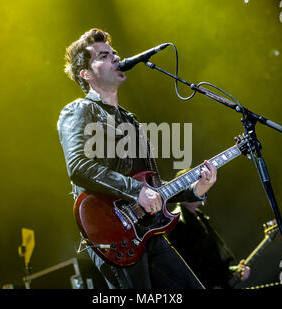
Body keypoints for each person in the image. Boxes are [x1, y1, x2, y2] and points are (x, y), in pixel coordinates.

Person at [57, 28, 216, 289]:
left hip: (147, 231)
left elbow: (152, 187)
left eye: (114, 53)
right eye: (104, 55)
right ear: (86, 74)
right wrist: (136, 190)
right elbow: (78, 166)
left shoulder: (130, 120)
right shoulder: (79, 110)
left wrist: (194, 191)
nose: (115, 57)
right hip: (112, 233)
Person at [167, 168, 250, 289]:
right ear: (186, 191)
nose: (204, 187)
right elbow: (184, 269)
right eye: (199, 184)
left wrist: (235, 271)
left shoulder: (201, 217)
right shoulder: (176, 224)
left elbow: (212, 263)